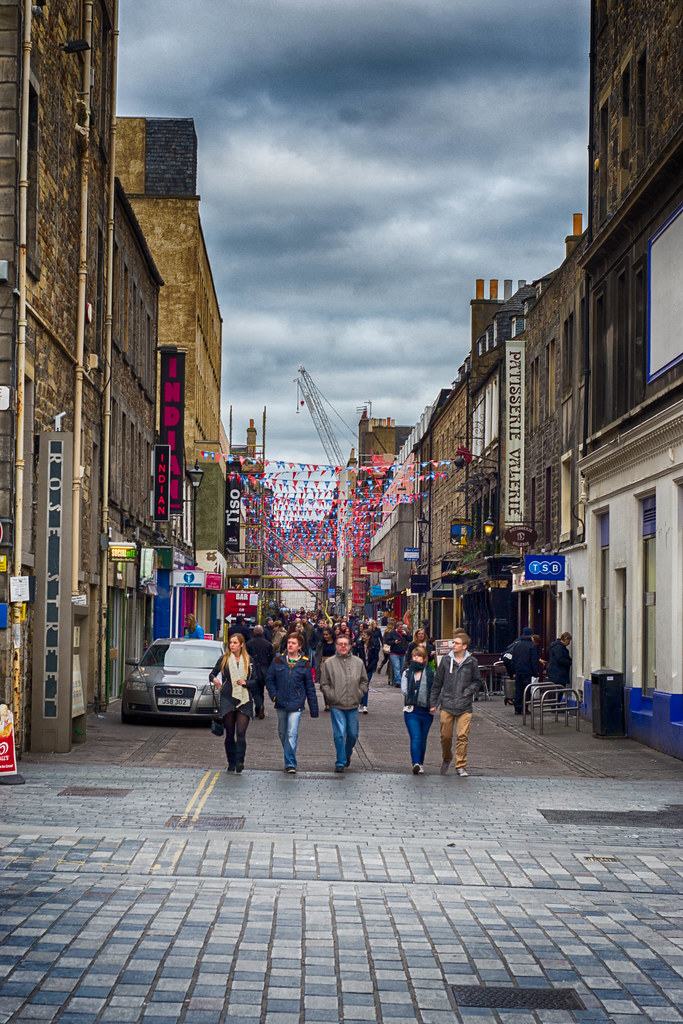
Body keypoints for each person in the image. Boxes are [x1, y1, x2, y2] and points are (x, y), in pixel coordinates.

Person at [430, 631, 481, 777]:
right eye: (453, 643)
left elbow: (477, 681)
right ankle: (447, 758)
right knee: (445, 736)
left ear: (464, 646)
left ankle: (460, 765)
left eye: (457, 643)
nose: (454, 645)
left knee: (462, 736)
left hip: (464, 705)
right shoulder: (446, 661)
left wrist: (468, 691)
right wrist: (434, 702)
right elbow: (437, 682)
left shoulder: (472, 662)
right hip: (447, 702)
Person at [265, 633, 319, 773]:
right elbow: (269, 679)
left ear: (299, 646)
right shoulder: (278, 661)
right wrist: (274, 696)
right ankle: (289, 754)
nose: (290, 645)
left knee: (291, 733)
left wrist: (314, 709)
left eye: (293, 643)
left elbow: (309, 687)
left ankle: (290, 763)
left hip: (297, 704)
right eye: (289, 642)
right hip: (281, 702)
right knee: (282, 732)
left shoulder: (305, 664)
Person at [319, 634, 368, 773]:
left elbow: (364, 681)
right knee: (339, 733)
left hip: (353, 703)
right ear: (336, 646)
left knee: (353, 734)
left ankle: (347, 755)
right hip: (337, 704)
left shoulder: (358, 662)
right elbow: (324, 683)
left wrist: (360, 693)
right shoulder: (329, 663)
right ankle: (340, 761)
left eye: (345, 644)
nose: (343, 646)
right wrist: (331, 696)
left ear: (350, 646)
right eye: (340, 644)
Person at [208, 634, 256, 773]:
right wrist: (215, 680)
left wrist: (247, 682)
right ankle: (231, 762)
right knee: (229, 733)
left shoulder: (249, 661)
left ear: (241, 644)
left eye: (235, 643)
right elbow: (212, 674)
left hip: (244, 698)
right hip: (228, 697)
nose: (232, 645)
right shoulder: (224, 659)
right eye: (230, 643)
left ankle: (240, 761)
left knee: (241, 733)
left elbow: (257, 680)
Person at [400, 644, 435, 774]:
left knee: (423, 739)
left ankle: (420, 763)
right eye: (415, 656)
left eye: (419, 656)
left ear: (424, 659)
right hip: (411, 710)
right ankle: (415, 763)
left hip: (426, 711)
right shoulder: (407, 673)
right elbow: (404, 690)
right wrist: (415, 692)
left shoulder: (431, 674)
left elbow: (435, 691)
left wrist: (433, 703)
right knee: (416, 737)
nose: (417, 658)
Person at [510, 626, 540, 715]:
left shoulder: (517, 645)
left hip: (518, 671)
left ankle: (517, 708)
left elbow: (513, 659)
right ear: (531, 635)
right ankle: (525, 708)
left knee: (518, 690)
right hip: (527, 671)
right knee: (526, 691)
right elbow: (534, 661)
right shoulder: (532, 646)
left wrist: (514, 671)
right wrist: (535, 672)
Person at [246, 625, 274, 719]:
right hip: (264, 669)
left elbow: (246, 657)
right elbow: (272, 657)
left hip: (253, 669)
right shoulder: (268, 644)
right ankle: (259, 708)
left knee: (255, 690)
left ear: (254, 632)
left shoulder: (249, 643)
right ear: (262, 632)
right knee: (261, 689)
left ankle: (259, 706)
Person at [353, 627, 380, 712]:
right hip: (361, 667)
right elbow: (355, 654)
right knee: (360, 685)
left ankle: (364, 705)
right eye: (362, 635)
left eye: (364, 635)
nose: (363, 637)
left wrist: (371, 666)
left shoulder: (373, 645)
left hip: (369, 668)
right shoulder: (359, 644)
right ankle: (360, 703)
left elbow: (376, 657)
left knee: (365, 685)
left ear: (369, 636)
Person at [384, 622, 413, 687]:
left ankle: (398, 681)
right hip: (394, 653)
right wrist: (394, 642)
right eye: (400, 627)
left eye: (402, 627)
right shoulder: (392, 633)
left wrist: (406, 635)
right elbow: (387, 641)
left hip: (403, 653)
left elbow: (410, 639)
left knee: (401, 668)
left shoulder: (404, 633)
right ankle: (398, 682)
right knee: (396, 667)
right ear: (396, 627)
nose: (401, 628)